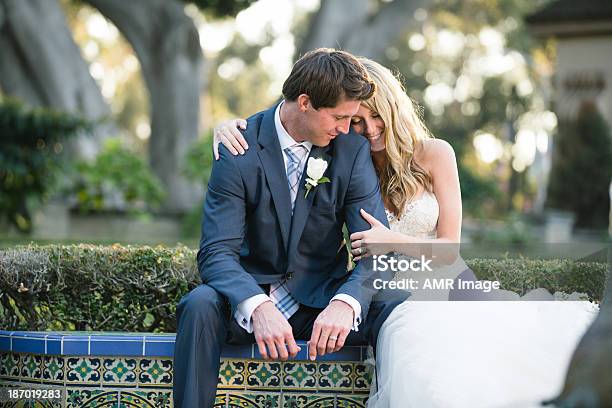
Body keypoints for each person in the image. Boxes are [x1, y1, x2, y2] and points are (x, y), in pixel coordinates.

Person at [214, 57, 599, 407]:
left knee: (499, 366)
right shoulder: (341, 156)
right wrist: (229, 126)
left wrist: (392, 240)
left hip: (446, 283)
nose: (366, 129)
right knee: (431, 376)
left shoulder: (436, 153)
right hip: (387, 295)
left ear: (394, 109)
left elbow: (450, 249)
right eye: (356, 121)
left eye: (374, 117)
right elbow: (300, 110)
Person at [173, 49, 404, 408]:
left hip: (322, 306)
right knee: (199, 304)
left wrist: (345, 303)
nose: (347, 129)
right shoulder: (238, 149)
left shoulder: (351, 151)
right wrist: (258, 307)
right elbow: (216, 253)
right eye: (340, 118)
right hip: (250, 304)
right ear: (305, 102)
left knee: (395, 303)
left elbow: (375, 250)